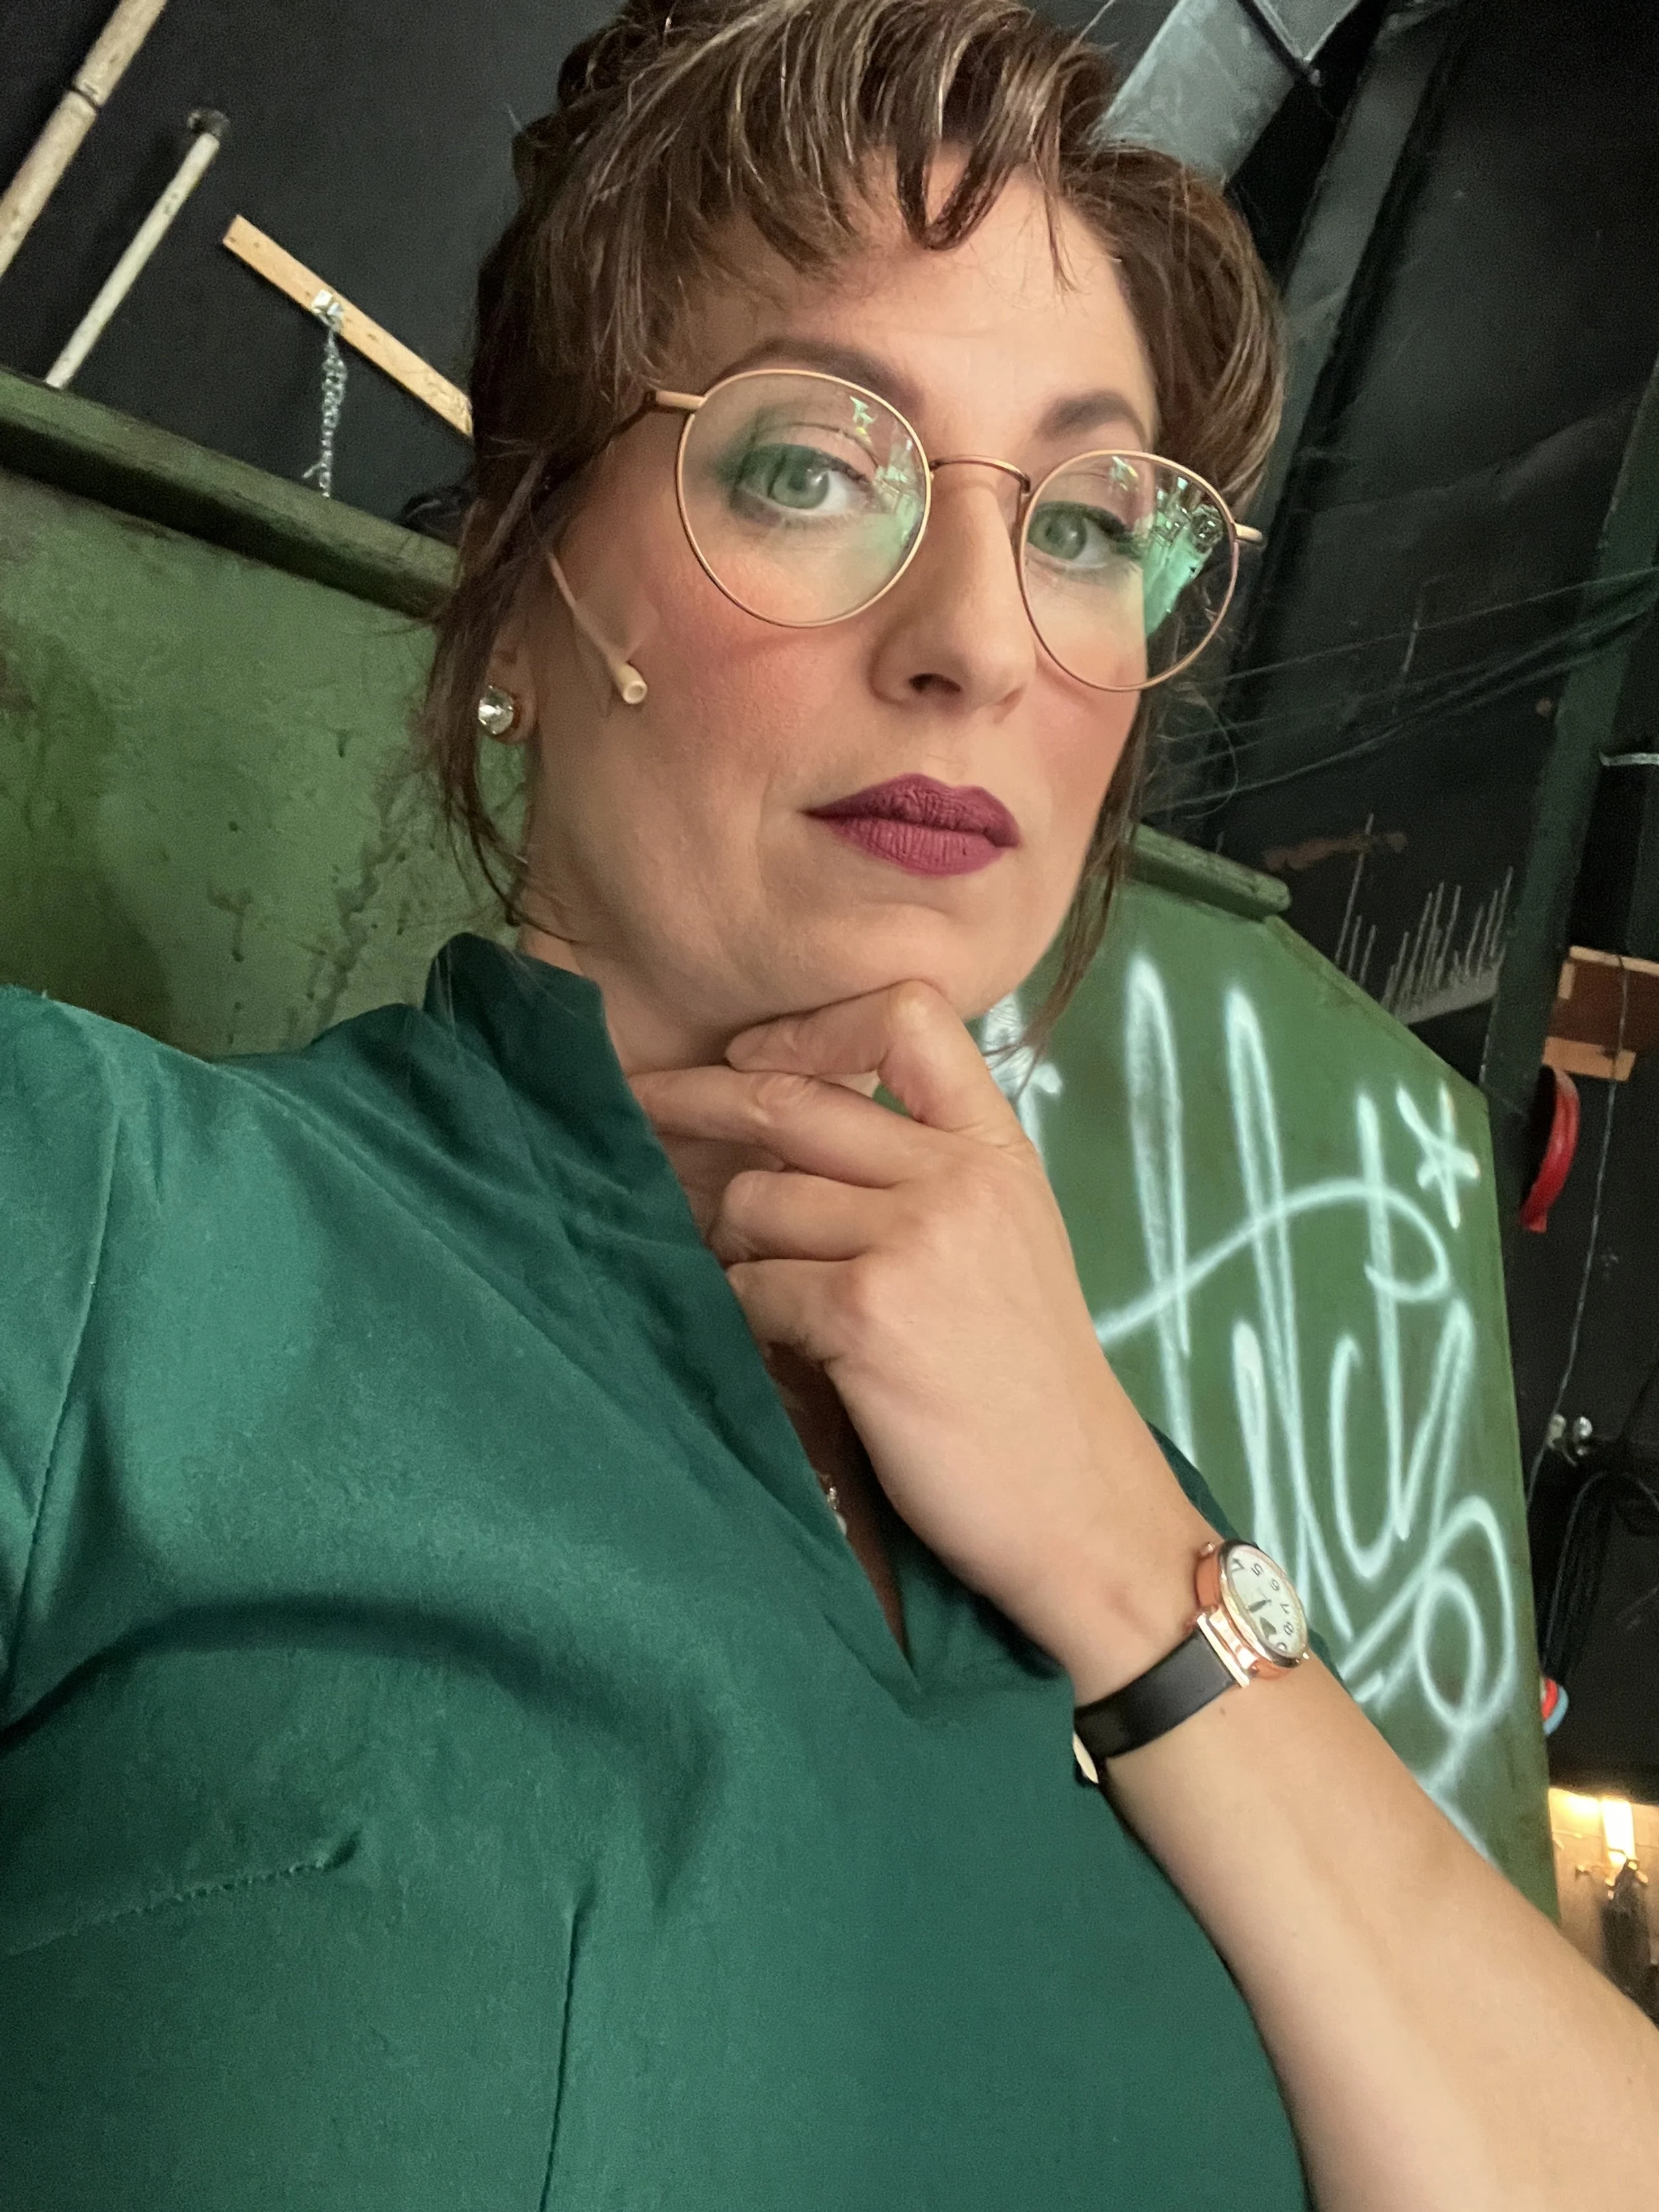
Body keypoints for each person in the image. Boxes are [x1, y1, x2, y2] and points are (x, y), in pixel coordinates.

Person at [2, 1, 1656, 2205]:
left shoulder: (1130, 1515)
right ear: (520, 576)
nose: (979, 632)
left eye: (1083, 521)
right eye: (806, 461)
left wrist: (1120, 1551)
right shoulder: (107, 1232)